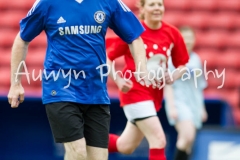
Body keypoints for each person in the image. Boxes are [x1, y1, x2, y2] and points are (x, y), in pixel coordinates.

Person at [7, 0, 158, 160]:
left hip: (96, 93)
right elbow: (22, 39)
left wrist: (141, 68)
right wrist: (15, 83)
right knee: (78, 153)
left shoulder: (109, 2)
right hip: (60, 90)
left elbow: (134, 37)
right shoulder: (47, 3)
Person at [107, 0, 189, 160]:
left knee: (125, 146)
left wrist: (173, 76)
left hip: (153, 96)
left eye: (160, 4)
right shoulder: (132, 32)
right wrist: (118, 80)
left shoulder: (172, 33)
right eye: (152, 4)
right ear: (142, 9)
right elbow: (107, 59)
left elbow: (182, 65)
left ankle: (86, 140)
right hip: (134, 93)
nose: (157, 8)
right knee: (158, 139)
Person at [164, 26, 208, 160]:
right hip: (179, 103)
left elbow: (199, 86)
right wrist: (171, 106)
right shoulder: (172, 59)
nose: (187, 41)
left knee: (188, 142)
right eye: (184, 38)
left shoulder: (196, 59)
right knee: (187, 136)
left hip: (193, 103)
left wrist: (202, 108)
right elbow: (168, 85)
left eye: (190, 38)